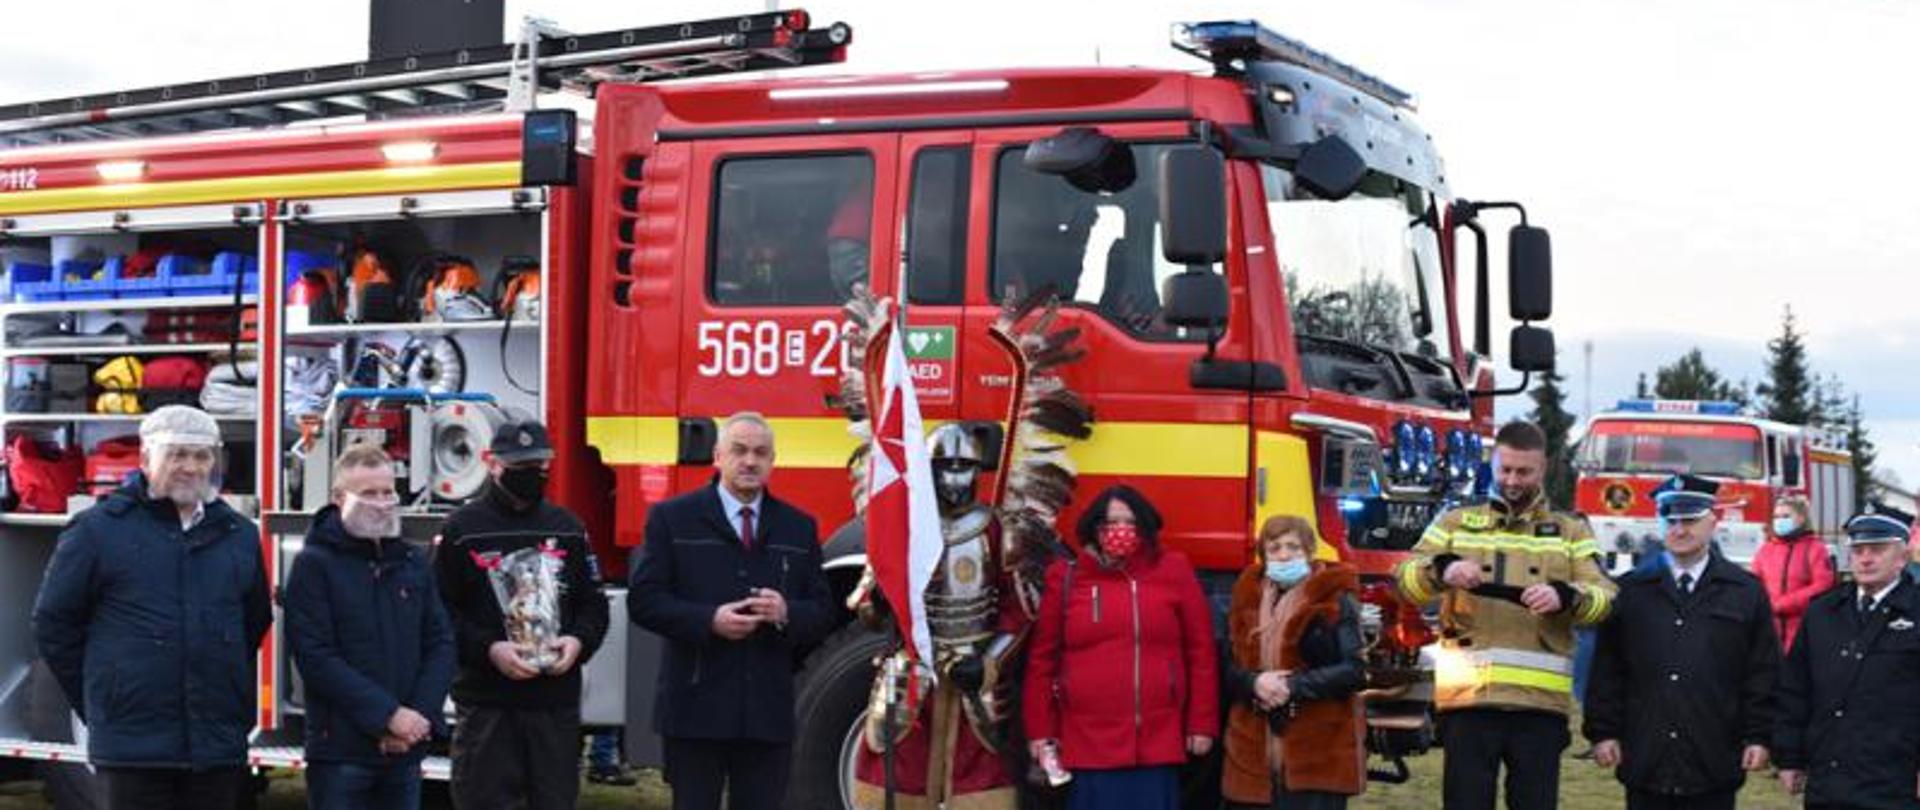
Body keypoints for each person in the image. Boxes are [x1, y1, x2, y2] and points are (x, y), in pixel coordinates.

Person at [31, 405, 271, 810]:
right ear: (145, 460)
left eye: (200, 456)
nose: (190, 467)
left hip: (215, 750)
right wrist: (105, 701)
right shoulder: (97, 531)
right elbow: (55, 626)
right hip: (132, 751)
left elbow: (253, 621)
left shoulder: (238, 535)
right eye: (176, 454)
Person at [1393, 420, 1617, 810]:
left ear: (1543, 468)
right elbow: (1405, 581)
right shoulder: (1455, 521)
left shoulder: (1570, 531)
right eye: (1505, 469)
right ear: (1493, 463)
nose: (1513, 480)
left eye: (1524, 472)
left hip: (1540, 708)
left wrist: (1565, 596)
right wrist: (1442, 571)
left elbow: (1605, 599)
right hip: (1469, 703)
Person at [628, 412, 834, 810]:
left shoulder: (799, 527)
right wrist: (709, 621)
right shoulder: (672, 519)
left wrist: (785, 611)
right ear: (717, 456)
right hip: (694, 710)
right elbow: (645, 601)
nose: (750, 461)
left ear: (773, 461)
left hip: (766, 715)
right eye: (739, 451)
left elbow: (824, 613)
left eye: (761, 453)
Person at [850, 425, 1031, 809]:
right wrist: (878, 601)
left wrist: (988, 662)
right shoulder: (902, 523)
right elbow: (867, 605)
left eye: (963, 466)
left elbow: (1018, 610)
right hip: (911, 669)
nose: (953, 477)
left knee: (981, 774)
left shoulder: (996, 527)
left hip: (974, 669)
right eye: (943, 466)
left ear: (977, 471)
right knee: (896, 772)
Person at [435, 418, 609, 810]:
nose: (531, 476)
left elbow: (594, 604)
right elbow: (439, 614)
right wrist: (489, 649)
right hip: (486, 706)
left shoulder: (567, 528)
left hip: (553, 706)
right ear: (492, 463)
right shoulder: (462, 529)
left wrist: (577, 642)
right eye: (520, 469)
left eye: (538, 468)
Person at [1583, 474, 1779, 809]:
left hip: (1714, 756)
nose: (1679, 529)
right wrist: (1603, 731)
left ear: (1712, 521)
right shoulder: (1632, 591)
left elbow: (1762, 671)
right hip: (1646, 755)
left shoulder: (1744, 592)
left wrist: (1759, 736)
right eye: (1670, 520)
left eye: (1690, 519)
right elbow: (1608, 668)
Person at [1023, 485, 1219, 810]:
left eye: (1130, 521)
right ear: (1094, 528)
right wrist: (1040, 731)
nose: (1120, 529)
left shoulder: (1174, 569)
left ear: (1145, 526)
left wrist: (1202, 723)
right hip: (1086, 743)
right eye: (1111, 522)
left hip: (1156, 742)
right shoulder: (1066, 577)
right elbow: (1042, 660)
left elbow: (1200, 652)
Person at [285, 444, 455, 810]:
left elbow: (440, 642)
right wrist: (386, 717)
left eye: (387, 491)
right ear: (338, 497)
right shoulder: (314, 565)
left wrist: (417, 720)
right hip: (341, 752)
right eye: (367, 494)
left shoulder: (412, 561)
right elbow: (316, 657)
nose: (381, 502)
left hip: (405, 753)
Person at [1775, 504, 1920, 808]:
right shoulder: (1823, 612)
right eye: (1858, 550)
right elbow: (1795, 689)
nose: (1865, 558)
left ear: (1903, 556)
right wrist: (1790, 757)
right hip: (1828, 779)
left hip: (1894, 781)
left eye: (1877, 549)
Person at [1222, 514, 1365, 810]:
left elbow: (1354, 670)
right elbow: (1225, 665)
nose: (1284, 555)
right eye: (1274, 548)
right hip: (1251, 751)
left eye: (1293, 547)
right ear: (1263, 555)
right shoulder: (1244, 597)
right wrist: (1254, 683)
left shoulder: (1335, 598)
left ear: (1310, 551)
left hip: (1318, 749)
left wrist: (1292, 686)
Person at [1750, 494, 1834, 652]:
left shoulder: (1814, 548)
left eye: (1786, 516)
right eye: (1776, 516)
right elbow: (1754, 584)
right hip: (1769, 633)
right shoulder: (1765, 550)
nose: (1779, 520)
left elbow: (1823, 584)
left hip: (1803, 631)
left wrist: (1785, 603)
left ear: (1801, 518)